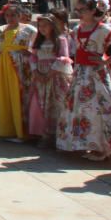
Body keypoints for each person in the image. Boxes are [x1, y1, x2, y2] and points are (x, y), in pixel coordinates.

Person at [56, 0, 111, 161]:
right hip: (80, 74)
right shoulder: (77, 29)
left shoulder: (103, 29)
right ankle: (84, 143)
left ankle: (102, 146)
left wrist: (106, 60)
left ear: (93, 10)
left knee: (100, 108)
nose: (80, 13)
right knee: (79, 108)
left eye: (83, 10)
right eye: (78, 10)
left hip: (97, 74)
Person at [28, 14, 72, 147]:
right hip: (40, 77)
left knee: (56, 104)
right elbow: (33, 57)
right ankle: (42, 134)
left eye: (45, 26)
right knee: (39, 105)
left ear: (53, 26)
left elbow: (63, 58)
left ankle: (58, 136)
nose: (42, 29)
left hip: (56, 77)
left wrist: (50, 73)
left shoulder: (60, 40)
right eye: (40, 26)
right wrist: (36, 72)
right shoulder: (38, 41)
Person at [0, 4, 37, 141]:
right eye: (7, 15)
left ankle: (23, 131)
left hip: (21, 66)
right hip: (4, 65)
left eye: (13, 15)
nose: (10, 18)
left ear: (20, 16)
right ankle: (8, 129)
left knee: (20, 95)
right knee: (6, 95)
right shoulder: (1, 30)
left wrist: (29, 52)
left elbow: (38, 47)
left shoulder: (29, 30)